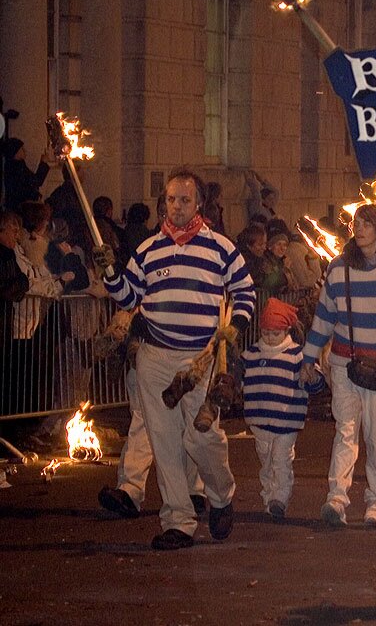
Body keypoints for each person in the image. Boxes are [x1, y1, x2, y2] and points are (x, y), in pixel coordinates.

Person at [95, 165, 255, 551]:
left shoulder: (220, 246)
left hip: (200, 360)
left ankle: (220, 495)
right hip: (155, 357)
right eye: (171, 199)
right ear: (163, 203)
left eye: (185, 199)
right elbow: (129, 298)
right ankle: (179, 521)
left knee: (202, 438)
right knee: (164, 442)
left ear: (199, 202)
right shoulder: (149, 249)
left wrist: (235, 326)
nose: (177, 206)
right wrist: (110, 271)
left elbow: (245, 292)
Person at [302, 203, 376, 528]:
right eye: (357, 222)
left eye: (367, 223)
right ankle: (336, 499)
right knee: (345, 432)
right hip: (343, 365)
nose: (359, 227)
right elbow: (324, 318)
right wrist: (308, 358)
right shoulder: (339, 268)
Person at [98, 310, 210, 521]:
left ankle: (193, 490)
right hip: (147, 354)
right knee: (142, 421)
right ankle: (130, 489)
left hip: (183, 351)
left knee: (188, 422)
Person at [242, 297, 325, 518]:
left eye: (275, 333)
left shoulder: (298, 355)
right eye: (266, 332)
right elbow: (239, 379)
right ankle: (269, 495)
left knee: (280, 459)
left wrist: (312, 376)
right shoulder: (251, 354)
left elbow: (317, 385)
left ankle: (280, 497)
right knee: (266, 460)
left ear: (286, 330)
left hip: (287, 421)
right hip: (259, 421)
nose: (269, 338)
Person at [1, 210, 30, 347]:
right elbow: (8, 289)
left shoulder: (9, 255)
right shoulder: (5, 256)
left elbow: (22, 280)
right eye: (13, 231)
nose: (17, 236)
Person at [1, 137, 54, 211]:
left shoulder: (17, 165)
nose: (25, 150)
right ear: (16, 153)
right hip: (22, 208)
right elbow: (35, 181)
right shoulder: (16, 169)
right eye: (22, 149)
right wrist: (43, 164)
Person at [259, 229, 295, 294]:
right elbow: (270, 283)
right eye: (278, 244)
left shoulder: (282, 261)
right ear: (270, 246)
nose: (282, 248)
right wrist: (285, 270)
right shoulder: (265, 261)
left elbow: (292, 286)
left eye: (285, 245)